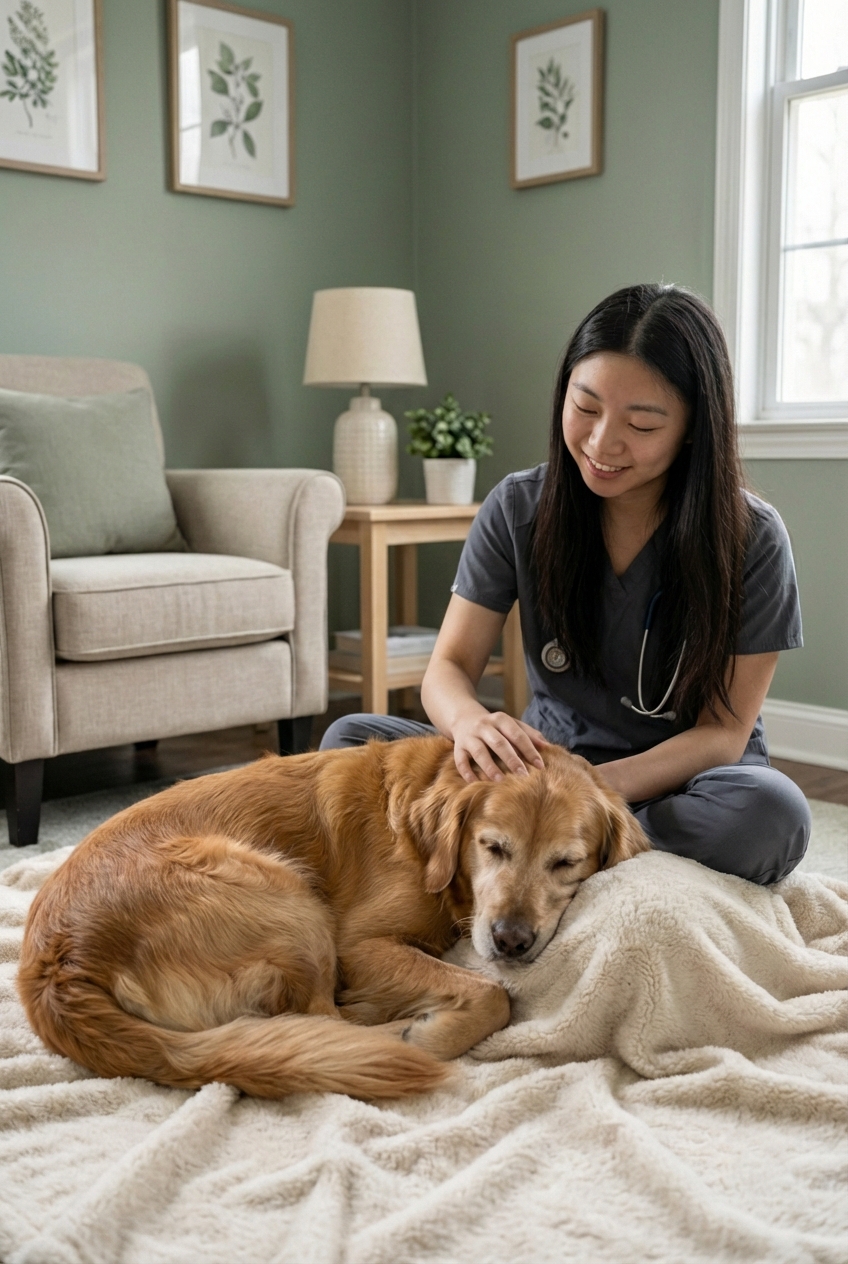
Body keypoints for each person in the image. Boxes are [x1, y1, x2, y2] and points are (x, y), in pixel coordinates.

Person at [321, 283, 810, 885]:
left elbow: (723, 733)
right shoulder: (518, 507)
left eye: (642, 424)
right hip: (540, 774)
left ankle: (556, 848)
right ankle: (575, 853)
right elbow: (448, 666)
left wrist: (596, 790)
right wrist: (471, 722)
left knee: (771, 816)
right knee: (352, 741)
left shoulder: (751, 537)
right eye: (586, 407)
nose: (603, 443)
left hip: (682, 785)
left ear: (692, 429)